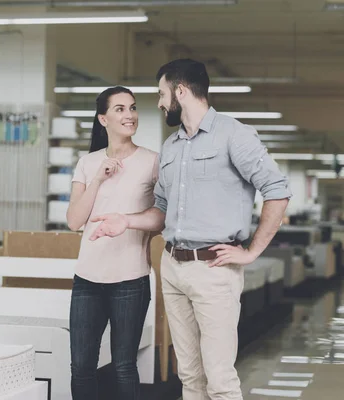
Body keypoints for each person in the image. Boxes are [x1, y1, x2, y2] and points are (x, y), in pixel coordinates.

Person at [89, 59, 291, 400]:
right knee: (190, 376)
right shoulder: (172, 147)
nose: (159, 102)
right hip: (173, 267)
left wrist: (253, 251)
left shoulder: (233, 134)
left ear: (181, 91)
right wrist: (127, 220)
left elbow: (278, 190)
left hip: (214, 269)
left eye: (161, 94)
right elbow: (162, 211)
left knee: (220, 379)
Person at [66, 86, 159, 400]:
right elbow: (74, 220)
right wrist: (98, 179)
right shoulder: (88, 162)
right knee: (81, 367)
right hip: (87, 279)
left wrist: (127, 219)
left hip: (130, 279)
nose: (129, 115)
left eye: (132, 108)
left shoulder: (152, 162)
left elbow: (161, 218)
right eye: (119, 109)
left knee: (123, 365)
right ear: (102, 119)